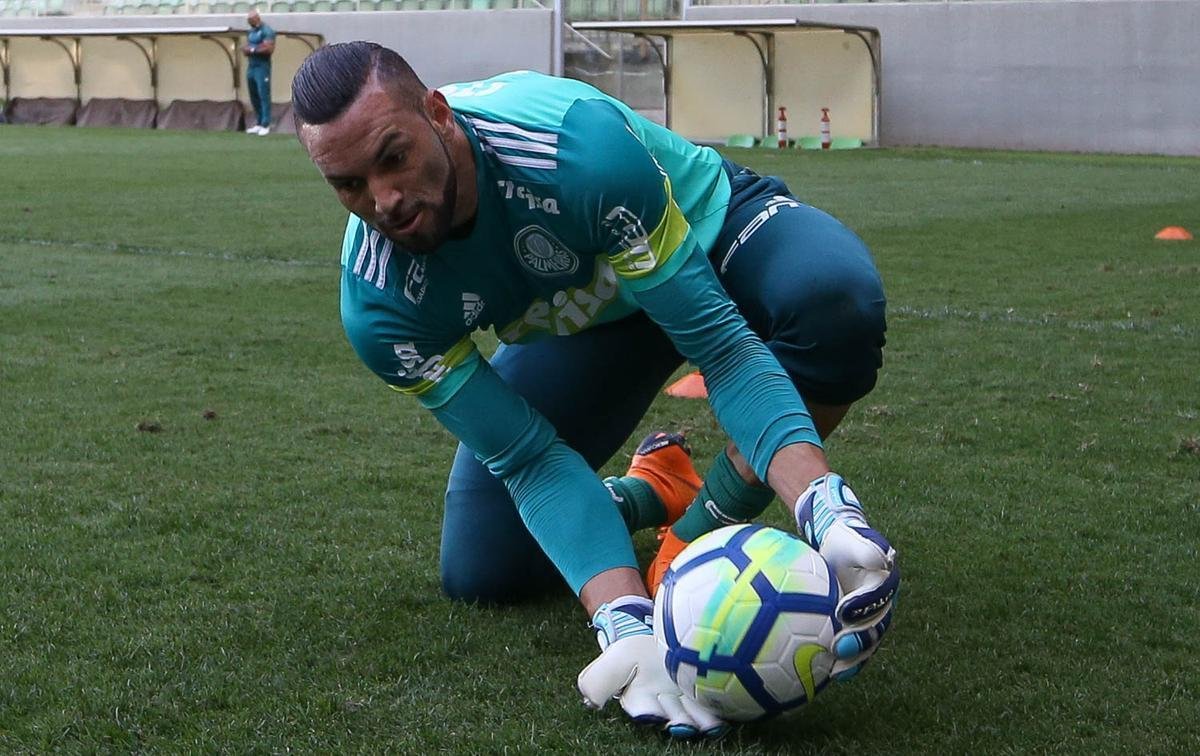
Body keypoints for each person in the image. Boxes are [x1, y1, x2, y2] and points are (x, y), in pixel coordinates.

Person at [291, 41, 898, 739]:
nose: (384, 200)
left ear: (439, 113)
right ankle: (651, 490)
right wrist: (627, 625)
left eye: (394, 157)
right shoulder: (376, 305)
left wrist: (826, 512)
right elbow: (526, 459)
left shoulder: (570, 147)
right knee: (485, 567)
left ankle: (701, 527)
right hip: (595, 315)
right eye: (348, 184)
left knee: (834, 302)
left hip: (707, 241)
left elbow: (723, 350)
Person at [242, 9, 276, 135]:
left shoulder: (267, 31)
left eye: (250, 20)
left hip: (262, 67)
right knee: (254, 95)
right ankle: (259, 122)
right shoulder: (250, 32)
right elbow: (245, 48)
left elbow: (268, 49)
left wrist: (252, 50)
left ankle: (266, 124)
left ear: (256, 18)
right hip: (251, 66)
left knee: (263, 94)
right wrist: (254, 49)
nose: (249, 22)